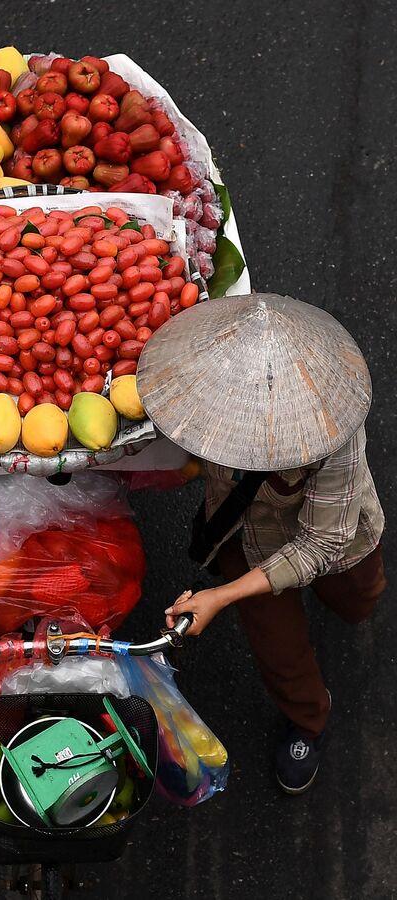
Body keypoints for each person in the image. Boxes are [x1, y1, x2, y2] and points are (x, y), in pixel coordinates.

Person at [138, 292, 386, 794]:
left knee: (359, 600)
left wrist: (218, 598)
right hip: (245, 536)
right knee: (280, 648)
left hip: (338, 539)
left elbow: (321, 543)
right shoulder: (201, 387)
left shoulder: (336, 431)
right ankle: (309, 720)